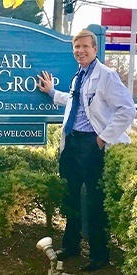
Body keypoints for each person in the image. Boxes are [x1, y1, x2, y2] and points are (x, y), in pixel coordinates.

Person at [37, 29, 135, 272]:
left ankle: (99, 255)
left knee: (93, 201)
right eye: (76, 47)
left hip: (92, 145)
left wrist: (102, 139)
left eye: (84, 47)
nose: (79, 51)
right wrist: (51, 92)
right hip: (72, 143)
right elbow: (75, 102)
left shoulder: (106, 76)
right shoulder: (79, 75)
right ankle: (71, 246)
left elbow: (127, 109)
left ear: (94, 49)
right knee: (70, 196)